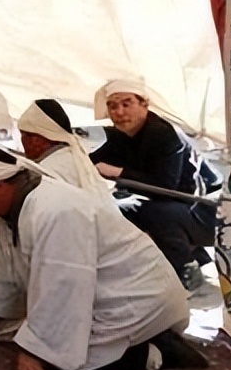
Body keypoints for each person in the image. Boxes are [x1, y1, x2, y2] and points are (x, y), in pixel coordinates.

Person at [0, 144, 203, 370]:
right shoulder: (16, 207)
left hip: (140, 296)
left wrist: (33, 352)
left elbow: (63, 285)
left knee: (62, 358)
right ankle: (141, 340)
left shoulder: (54, 211)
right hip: (105, 290)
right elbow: (7, 265)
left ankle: (158, 353)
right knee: (16, 333)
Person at [89, 78, 214, 289]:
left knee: (154, 212)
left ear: (144, 104)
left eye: (126, 104)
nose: (119, 112)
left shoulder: (162, 133)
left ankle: (186, 266)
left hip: (205, 210)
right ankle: (186, 254)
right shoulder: (122, 134)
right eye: (112, 106)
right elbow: (96, 160)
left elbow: (166, 187)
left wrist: (119, 172)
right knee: (115, 207)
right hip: (177, 208)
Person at [16, 98, 110, 198]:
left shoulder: (46, 170)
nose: (21, 140)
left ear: (36, 139)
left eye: (23, 134)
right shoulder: (72, 156)